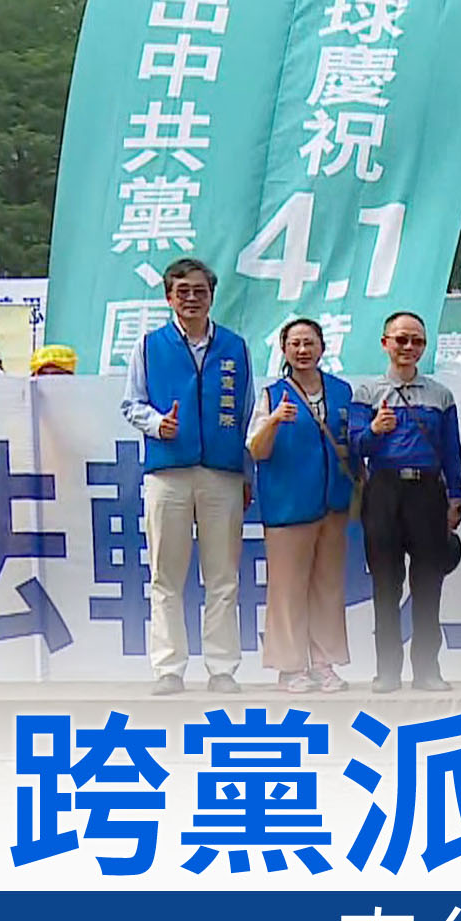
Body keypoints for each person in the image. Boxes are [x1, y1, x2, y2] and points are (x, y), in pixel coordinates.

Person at [119, 258, 252, 695]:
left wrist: (245, 471)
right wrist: (159, 425)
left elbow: (247, 412)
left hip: (222, 472)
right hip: (168, 471)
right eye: (183, 291)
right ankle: (169, 668)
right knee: (166, 575)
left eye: (200, 291)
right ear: (168, 297)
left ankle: (222, 668)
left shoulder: (235, 347)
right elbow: (131, 403)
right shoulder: (149, 346)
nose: (192, 298)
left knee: (223, 576)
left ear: (212, 296)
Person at [350, 312, 461, 693]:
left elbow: (451, 451)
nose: (408, 347)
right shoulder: (367, 393)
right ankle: (387, 672)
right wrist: (374, 430)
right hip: (383, 491)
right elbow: (355, 446)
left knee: (428, 585)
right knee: (386, 585)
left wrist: (455, 497)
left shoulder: (440, 395)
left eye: (417, 341)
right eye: (401, 339)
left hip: (427, 493)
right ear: (385, 343)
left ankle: (427, 670)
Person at [246, 318, 356, 694]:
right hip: (288, 505)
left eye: (309, 343)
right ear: (284, 350)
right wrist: (274, 421)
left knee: (328, 587)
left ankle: (324, 663)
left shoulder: (341, 391)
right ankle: (290, 667)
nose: (303, 350)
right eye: (295, 344)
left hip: (333, 503)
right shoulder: (272, 395)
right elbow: (256, 449)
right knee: (288, 590)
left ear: (323, 347)